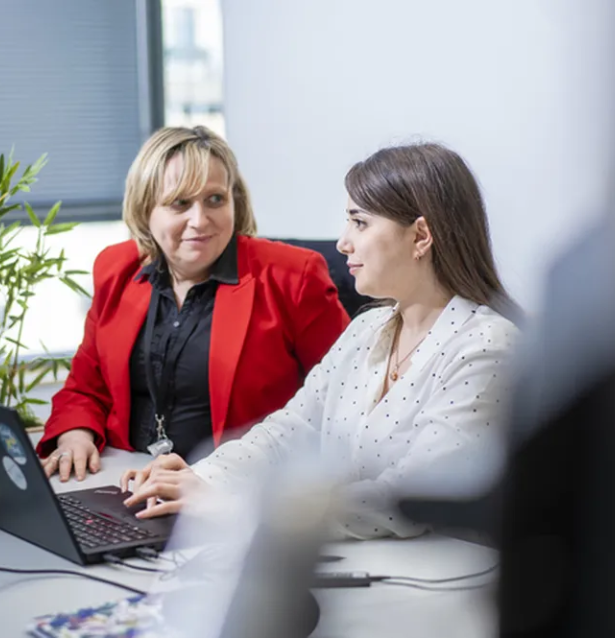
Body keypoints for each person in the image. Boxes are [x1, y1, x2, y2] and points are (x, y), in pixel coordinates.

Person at [121, 142, 522, 540]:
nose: (343, 243)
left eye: (359, 223)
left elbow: (413, 494)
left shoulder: (487, 347)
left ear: (420, 236)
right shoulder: (368, 328)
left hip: (429, 583)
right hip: (344, 561)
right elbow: (290, 429)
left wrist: (241, 507)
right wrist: (203, 477)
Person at [38, 126, 350, 480]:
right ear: (145, 211)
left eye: (215, 199)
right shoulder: (116, 270)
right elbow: (85, 385)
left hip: (237, 487)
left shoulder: (291, 277)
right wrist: (76, 433)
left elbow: (343, 399)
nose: (200, 221)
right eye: (179, 203)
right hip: (125, 477)